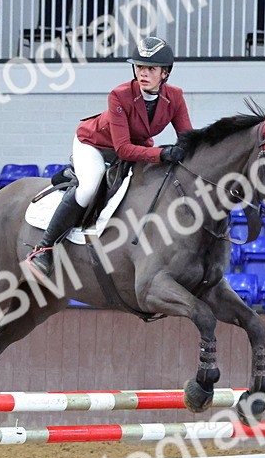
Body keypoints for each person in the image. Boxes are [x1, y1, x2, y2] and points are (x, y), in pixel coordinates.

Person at [25, 36, 195, 279]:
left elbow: (187, 138)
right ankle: (44, 249)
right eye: (140, 67)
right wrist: (163, 153)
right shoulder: (120, 95)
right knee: (89, 188)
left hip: (135, 147)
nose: (143, 73)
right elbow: (123, 149)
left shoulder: (175, 97)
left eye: (151, 69)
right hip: (95, 145)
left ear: (165, 73)